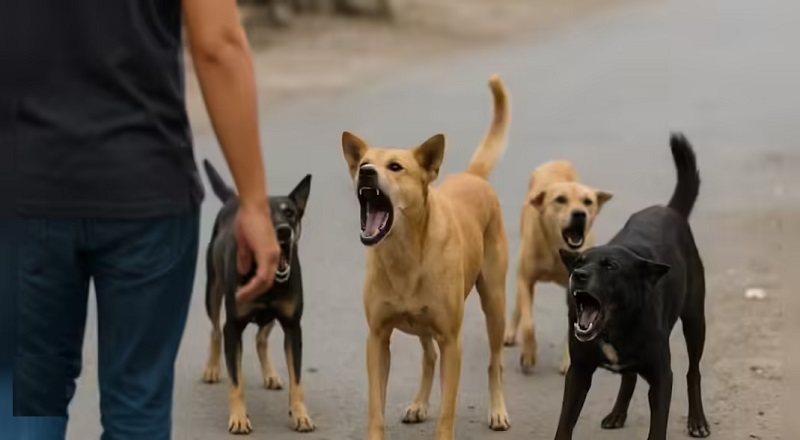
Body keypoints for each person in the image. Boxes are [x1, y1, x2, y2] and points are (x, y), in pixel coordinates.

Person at [0, 0, 280, 438]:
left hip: (22, 186)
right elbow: (218, 44)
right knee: (137, 403)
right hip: (146, 186)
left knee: (26, 395)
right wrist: (254, 204)